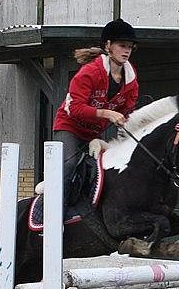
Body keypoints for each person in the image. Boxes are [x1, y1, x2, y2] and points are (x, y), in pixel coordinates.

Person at [51, 18, 140, 209]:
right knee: (69, 164)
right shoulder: (89, 73)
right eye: (122, 46)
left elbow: (128, 112)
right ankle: (52, 212)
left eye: (130, 47)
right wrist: (108, 113)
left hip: (93, 134)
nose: (127, 51)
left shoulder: (131, 81)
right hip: (70, 127)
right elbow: (75, 109)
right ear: (108, 45)